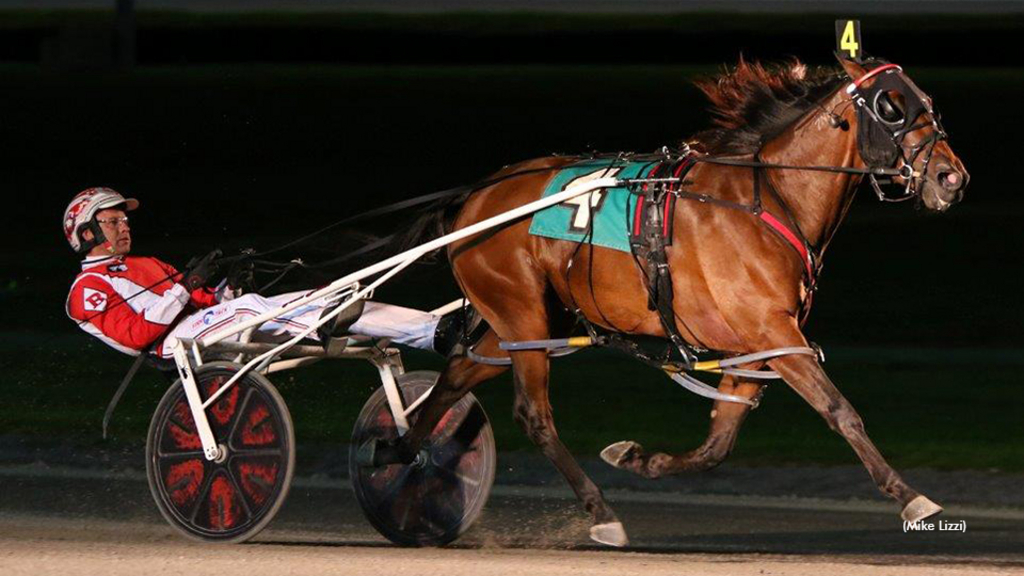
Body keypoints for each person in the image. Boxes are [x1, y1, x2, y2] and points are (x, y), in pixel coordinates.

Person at [63, 187, 471, 361]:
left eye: (123, 220)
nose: (124, 227)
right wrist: (186, 288)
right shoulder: (87, 289)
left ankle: (439, 332)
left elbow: (202, 301)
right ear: (88, 234)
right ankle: (323, 323)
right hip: (172, 346)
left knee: (333, 296)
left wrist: (224, 288)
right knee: (251, 309)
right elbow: (136, 335)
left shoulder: (147, 263)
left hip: (205, 325)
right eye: (113, 222)